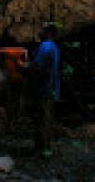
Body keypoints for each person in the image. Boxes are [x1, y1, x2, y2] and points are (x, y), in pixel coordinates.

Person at [27, 23, 60, 154]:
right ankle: (45, 147)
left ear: (50, 33)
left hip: (43, 88)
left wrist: (22, 67)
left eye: (43, 29)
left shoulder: (45, 46)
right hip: (51, 88)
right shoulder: (54, 47)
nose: (39, 31)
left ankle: (41, 149)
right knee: (46, 117)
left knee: (41, 117)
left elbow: (37, 66)